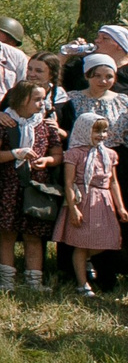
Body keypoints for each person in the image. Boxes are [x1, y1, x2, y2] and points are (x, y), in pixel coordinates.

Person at [0, 80, 62, 292]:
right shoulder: (3, 123)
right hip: (9, 185)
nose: (42, 104)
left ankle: (34, 282)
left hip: (36, 186)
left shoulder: (45, 125)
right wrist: (15, 153)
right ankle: (7, 280)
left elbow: (57, 154)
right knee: (7, 232)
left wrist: (47, 161)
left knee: (34, 234)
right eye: (37, 99)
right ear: (22, 100)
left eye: (44, 99)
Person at [58, 114, 125, 297]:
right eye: (96, 130)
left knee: (109, 240)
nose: (101, 135)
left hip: (102, 201)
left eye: (104, 131)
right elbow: (69, 183)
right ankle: (82, 283)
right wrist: (73, 209)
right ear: (84, 130)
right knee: (80, 243)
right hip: (83, 199)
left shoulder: (109, 154)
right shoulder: (75, 153)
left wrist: (120, 207)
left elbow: (113, 182)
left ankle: (87, 259)